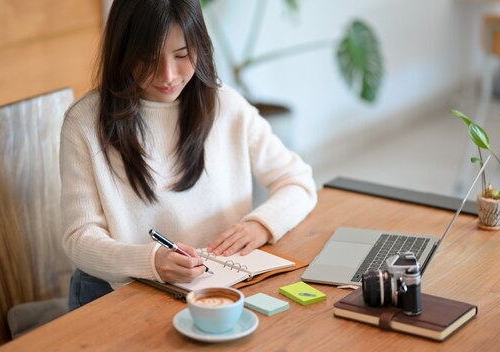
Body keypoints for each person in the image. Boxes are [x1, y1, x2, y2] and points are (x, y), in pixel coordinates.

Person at [61, 0, 317, 311]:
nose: (168, 75)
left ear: (200, 47)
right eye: (148, 58)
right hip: (116, 291)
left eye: (182, 55)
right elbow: (80, 238)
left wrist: (261, 224)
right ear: (123, 52)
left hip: (212, 286)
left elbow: (298, 182)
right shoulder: (86, 122)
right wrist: (151, 260)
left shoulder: (226, 107)